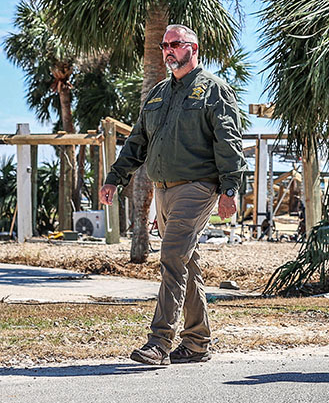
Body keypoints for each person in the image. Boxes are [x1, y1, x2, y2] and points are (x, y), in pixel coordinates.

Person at [99, 24, 246, 366]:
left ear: (193, 48)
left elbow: (229, 143)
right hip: (163, 190)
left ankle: (159, 342)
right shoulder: (157, 93)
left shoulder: (214, 91)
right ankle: (197, 342)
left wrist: (230, 189)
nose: (168, 50)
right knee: (185, 263)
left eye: (175, 44)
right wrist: (113, 179)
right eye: (165, 45)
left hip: (197, 187)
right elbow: (137, 142)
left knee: (171, 257)